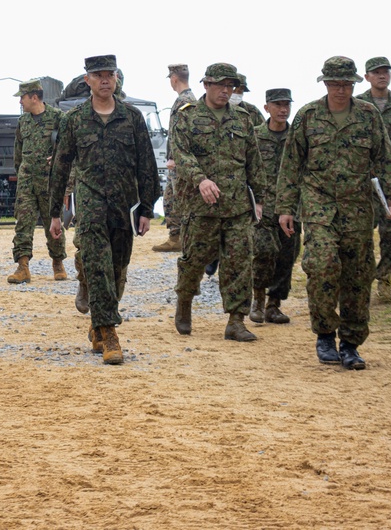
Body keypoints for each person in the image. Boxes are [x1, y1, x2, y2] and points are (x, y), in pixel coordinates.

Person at [276, 56, 391, 371]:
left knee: (357, 276)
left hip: (358, 207)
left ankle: (350, 344)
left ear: (354, 84)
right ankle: (324, 333)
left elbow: (385, 160)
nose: (340, 90)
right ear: (325, 84)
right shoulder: (308, 116)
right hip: (318, 204)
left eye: (346, 84)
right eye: (335, 84)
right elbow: (291, 165)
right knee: (321, 265)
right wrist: (285, 208)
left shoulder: (368, 116)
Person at [48, 55, 160, 365]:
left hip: (124, 205)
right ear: (88, 80)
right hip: (91, 202)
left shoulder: (132, 118)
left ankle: (98, 321)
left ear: (116, 78)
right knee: (98, 264)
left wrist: (147, 209)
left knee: (117, 270)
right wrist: (55, 212)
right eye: (98, 75)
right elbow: (61, 166)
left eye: (109, 74)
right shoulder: (75, 120)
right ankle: (110, 333)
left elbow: (147, 165)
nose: (105, 79)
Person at [171, 63, 267, 342]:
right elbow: (182, 154)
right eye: (220, 85)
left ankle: (236, 321)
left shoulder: (242, 118)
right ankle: (185, 303)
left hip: (237, 206)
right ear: (206, 85)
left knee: (239, 262)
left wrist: (258, 199)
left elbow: (254, 161)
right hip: (201, 207)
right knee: (194, 261)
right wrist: (201, 179)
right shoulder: (187, 116)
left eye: (231, 86)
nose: (226, 91)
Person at [357, 57, 391, 303]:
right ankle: (359, 283)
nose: (382, 76)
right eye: (376, 72)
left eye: (385, 72)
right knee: (359, 235)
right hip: (363, 182)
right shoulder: (357, 104)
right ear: (367, 76)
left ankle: (387, 282)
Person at [8, 79, 68, 284]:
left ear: (34, 97)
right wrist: (21, 173)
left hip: (50, 183)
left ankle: (58, 262)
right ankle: (22, 266)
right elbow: (18, 153)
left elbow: (69, 150)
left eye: (22, 98)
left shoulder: (58, 118)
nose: (20, 103)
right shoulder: (23, 122)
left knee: (53, 222)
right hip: (27, 181)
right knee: (23, 223)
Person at [250, 88, 299, 325]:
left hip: (290, 207)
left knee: (287, 255)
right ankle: (258, 299)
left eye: (287, 105)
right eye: (278, 105)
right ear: (267, 107)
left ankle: (274, 304)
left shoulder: (297, 136)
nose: (283, 109)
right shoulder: (255, 136)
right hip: (263, 206)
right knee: (262, 252)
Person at [153, 64, 196, 253]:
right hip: (180, 159)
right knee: (172, 197)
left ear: (174, 79)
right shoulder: (186, 99)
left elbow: (183, 133)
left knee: (173, 198)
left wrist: (174, 158)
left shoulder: (185, 101)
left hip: (180, 161)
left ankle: (177, 238)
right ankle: (177, 236)